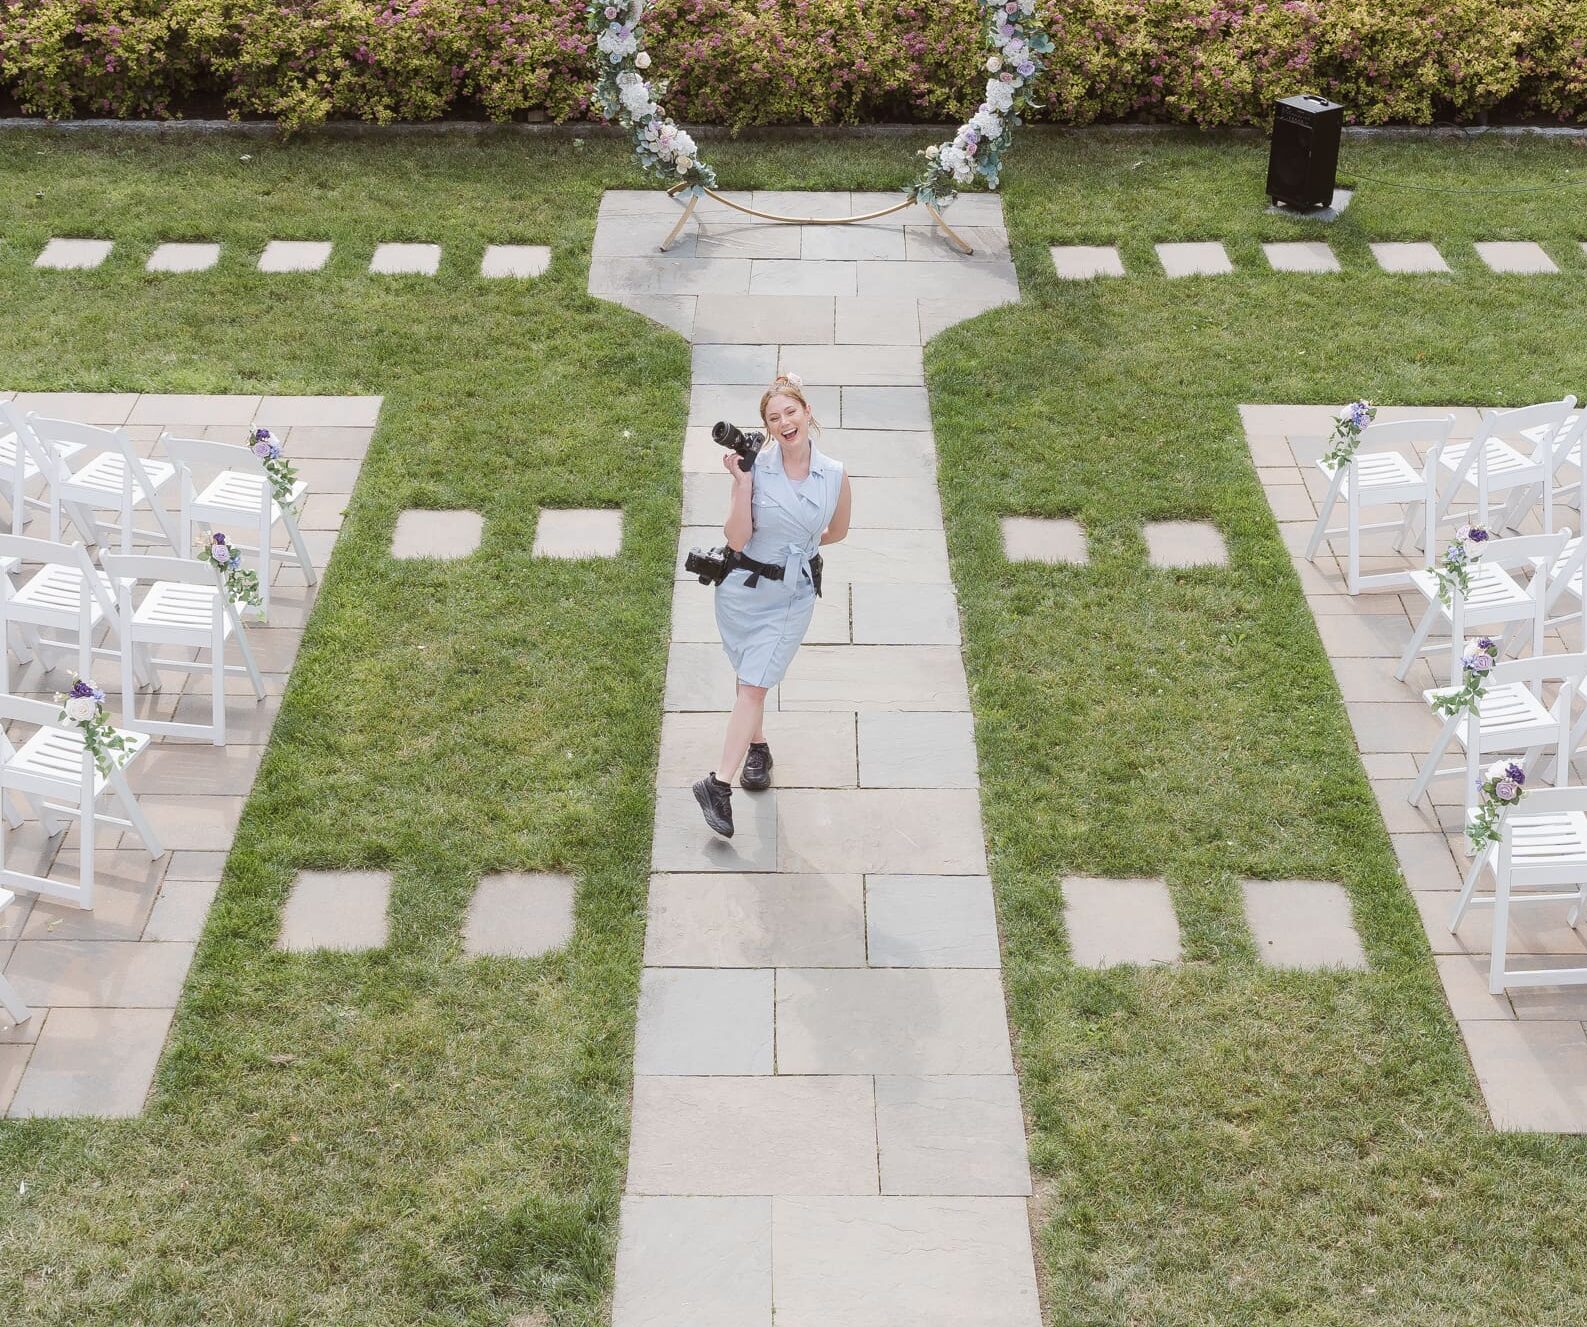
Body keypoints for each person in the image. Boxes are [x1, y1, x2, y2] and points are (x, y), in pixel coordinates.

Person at [693, 372, 852, 837]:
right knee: (750, 679)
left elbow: (838, 531)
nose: (784, 422)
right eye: (773, 417)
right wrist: (741, 486)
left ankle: (717, 785)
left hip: (790, 596)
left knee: (755, 685)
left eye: (791, 412)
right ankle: (756, 748)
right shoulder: (754, 469)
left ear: (807, 414)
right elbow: (737, 538)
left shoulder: (836, 475)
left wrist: (797, 545)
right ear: (766, 426)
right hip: (741, 592)